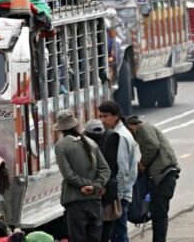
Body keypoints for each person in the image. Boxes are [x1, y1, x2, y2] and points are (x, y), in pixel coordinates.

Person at [52, 109, 110, 242]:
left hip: (75, 202)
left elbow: (68, 175)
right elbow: (105, 169)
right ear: (76, 125)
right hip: (95, 201)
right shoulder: (91, 143)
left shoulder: (61, 146)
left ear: (60, 129)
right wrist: (95, 186)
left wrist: (85, 186)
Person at [126, 115, 180, 242]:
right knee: (157, 214)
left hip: (164, 176)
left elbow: (152, 146)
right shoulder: (148, 128)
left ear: (131, 127)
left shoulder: (142, 128)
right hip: (164, 176)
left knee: (160, 215)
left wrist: (143, 164)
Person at [98, 101, 139, 242]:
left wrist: (117, 195)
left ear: (116, 116)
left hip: (120, 194)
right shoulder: (121, 133)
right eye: (100, 117)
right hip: (123, 191)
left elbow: (121, 169)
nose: (103, 120)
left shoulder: (119, 136)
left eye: (106, 116)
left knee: (118, 234)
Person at [85, 119, 122, 242]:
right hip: (108, 194)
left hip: (99, 195)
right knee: (106, 233)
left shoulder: (87, 145)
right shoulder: (111, 139)